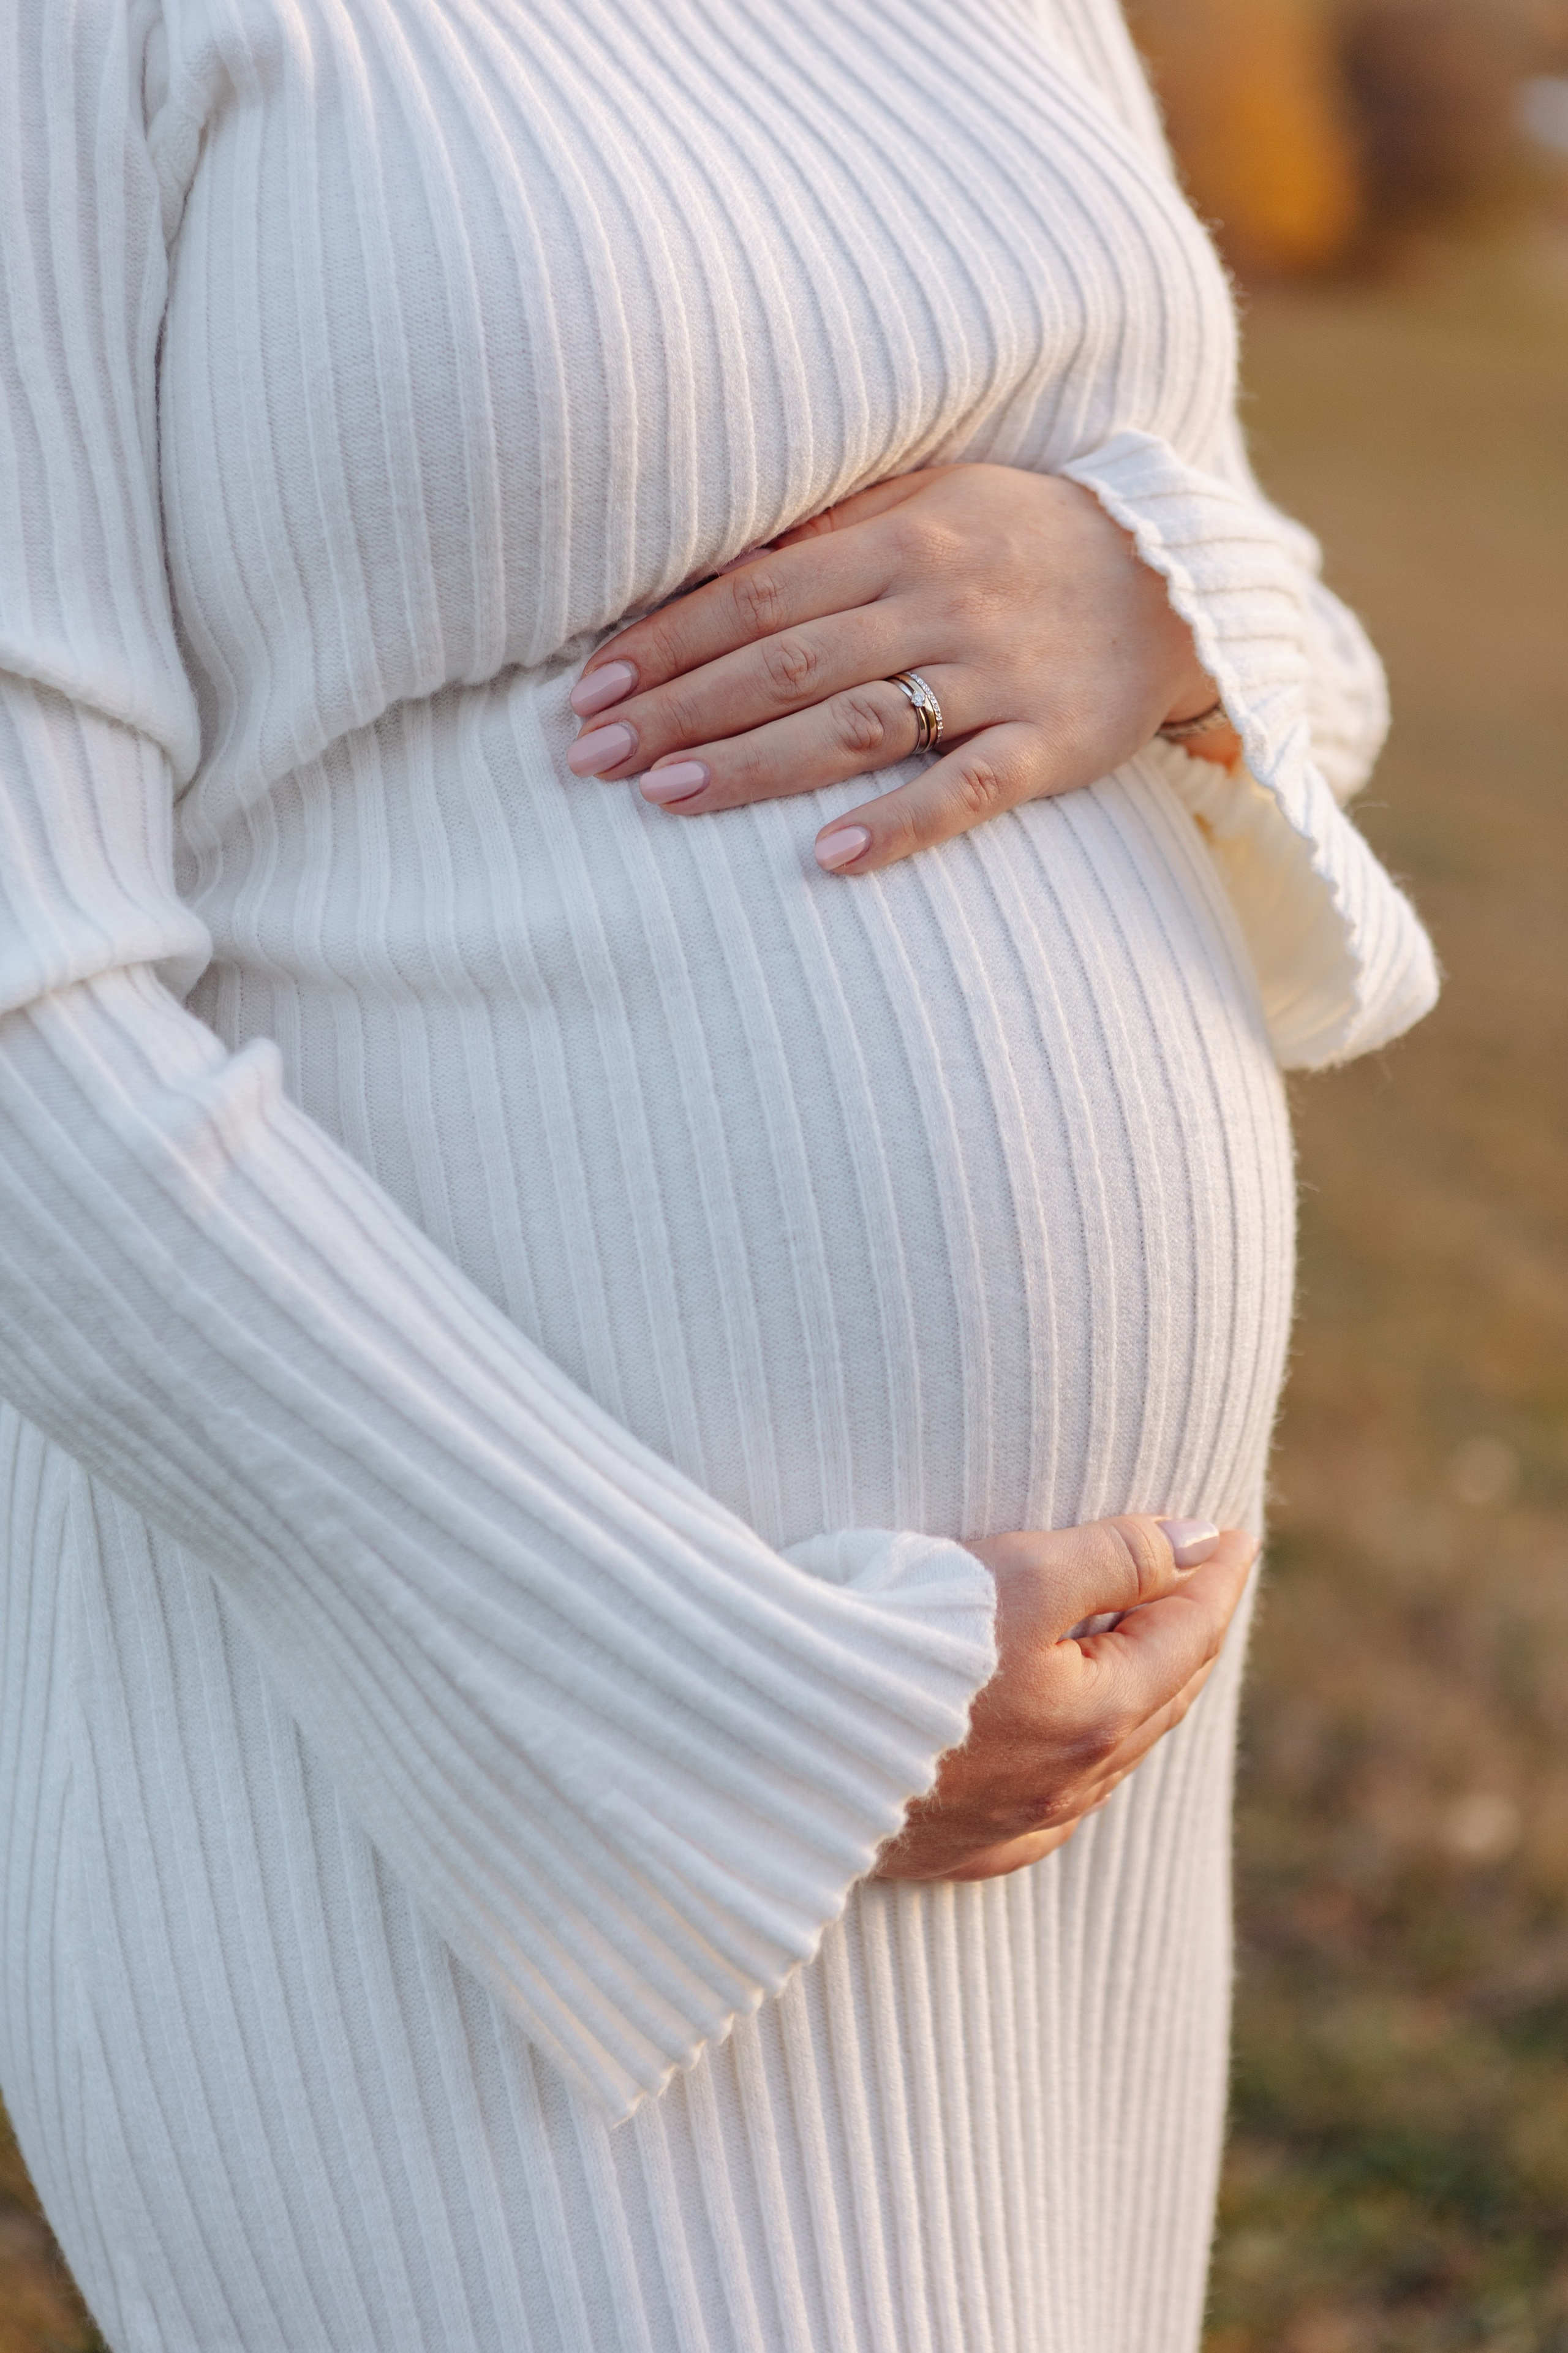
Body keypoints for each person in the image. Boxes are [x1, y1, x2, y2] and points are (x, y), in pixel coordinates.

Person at [0, 0, 1436, 2344]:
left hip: (1056, 1815)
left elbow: (1292, 617)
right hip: (494, 1758)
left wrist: (1155, 598)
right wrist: (710, 1696)